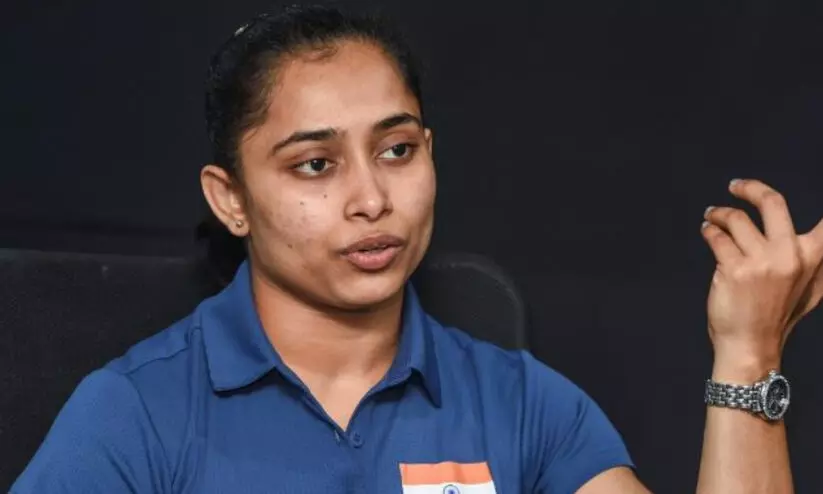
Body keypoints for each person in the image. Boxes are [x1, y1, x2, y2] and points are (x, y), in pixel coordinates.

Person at [11, 5, 823, 494]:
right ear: (230, 200)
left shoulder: (520, 404)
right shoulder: (137, 414)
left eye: (396, 150)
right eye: (315, 164)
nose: (371, 198)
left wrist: (747, 352)